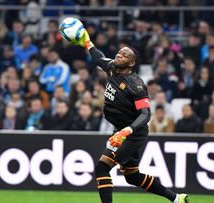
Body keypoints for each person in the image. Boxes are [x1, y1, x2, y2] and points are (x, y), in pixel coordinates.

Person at [75, 27, 189, 203]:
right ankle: (176, 199)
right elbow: (98, 57)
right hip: (121, 130)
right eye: (119, 53)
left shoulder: (136, 85)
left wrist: (126, 132)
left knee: (102, 168)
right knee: (132, 176)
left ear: (131, 64)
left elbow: (146, 114)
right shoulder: (112, 68)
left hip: (133, 133)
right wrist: (88, 43)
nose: (119, 56)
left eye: (124, 55)